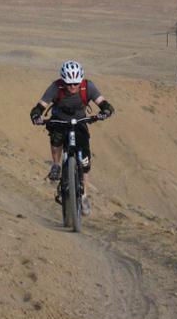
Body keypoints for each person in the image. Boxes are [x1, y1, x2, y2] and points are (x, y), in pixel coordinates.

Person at [30, 60, 114, 215]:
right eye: (69, 84)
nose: (73, 87)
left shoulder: (87, 86)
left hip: (80, 122)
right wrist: (36, 114)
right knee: (56, 136)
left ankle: (83, 196)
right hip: (59, 120)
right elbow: (41, 105)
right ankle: (56, 165)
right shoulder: (56, 87)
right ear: (63, 80)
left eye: (76, 83)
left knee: (85, 161)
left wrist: (106, 110)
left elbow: (103, 103)